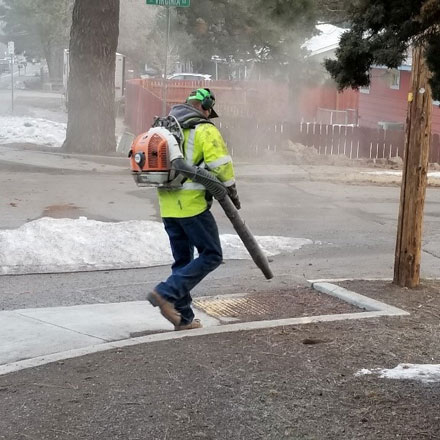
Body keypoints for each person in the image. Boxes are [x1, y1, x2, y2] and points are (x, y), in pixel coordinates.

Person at [147, 88, 240, 330]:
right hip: (192, 206)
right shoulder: (204, 129)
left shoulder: (165, 127)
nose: (209, 114)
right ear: (206, 106)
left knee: (183, 260)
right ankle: (165, 292)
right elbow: (221, 166)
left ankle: (183, 318)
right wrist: (232, 190)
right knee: (212, 255)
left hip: (167, 206)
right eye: (209, 110)